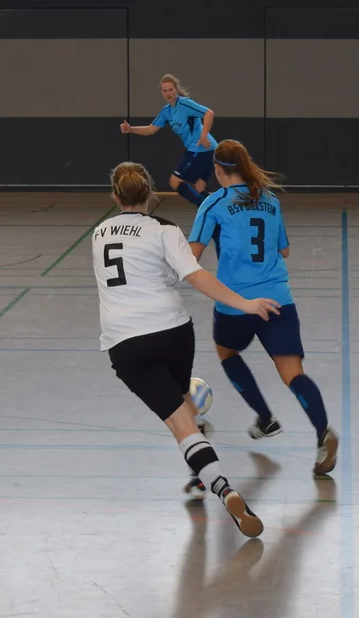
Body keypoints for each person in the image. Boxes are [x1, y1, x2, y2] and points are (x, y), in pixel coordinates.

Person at [92, 160, 280, 538]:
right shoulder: (165, 230)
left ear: (115, 196)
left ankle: (221, 487)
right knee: (186, 412)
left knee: (181, 425)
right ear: (151, 193)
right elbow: (194, 275)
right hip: (173, 332)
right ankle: (202, 476)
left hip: (126, 342)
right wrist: (245, 304)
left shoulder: (99, 233)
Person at [187, 139, 339, 475]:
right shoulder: (269, 199)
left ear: (217, 169)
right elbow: (284, 250)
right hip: (278, 300)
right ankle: (323, 433)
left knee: (227, 352)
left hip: (237, 303)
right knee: (293, 374)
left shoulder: (214, 203)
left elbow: (191, 256)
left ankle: (265, 417)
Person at [119, 74, 217, 208]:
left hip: (202, 148)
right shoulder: (167, 111)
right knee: (199, 188)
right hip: (203, 150)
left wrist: (203, 136)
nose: (168, 93)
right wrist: (131, 129)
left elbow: (209, 113)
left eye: (171, 90)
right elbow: (151, 129)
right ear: (162, 93)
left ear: (176, 89)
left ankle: (206, 209)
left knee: (175, 182)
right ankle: (216, 209)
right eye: (165, 91)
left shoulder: (185, 103)